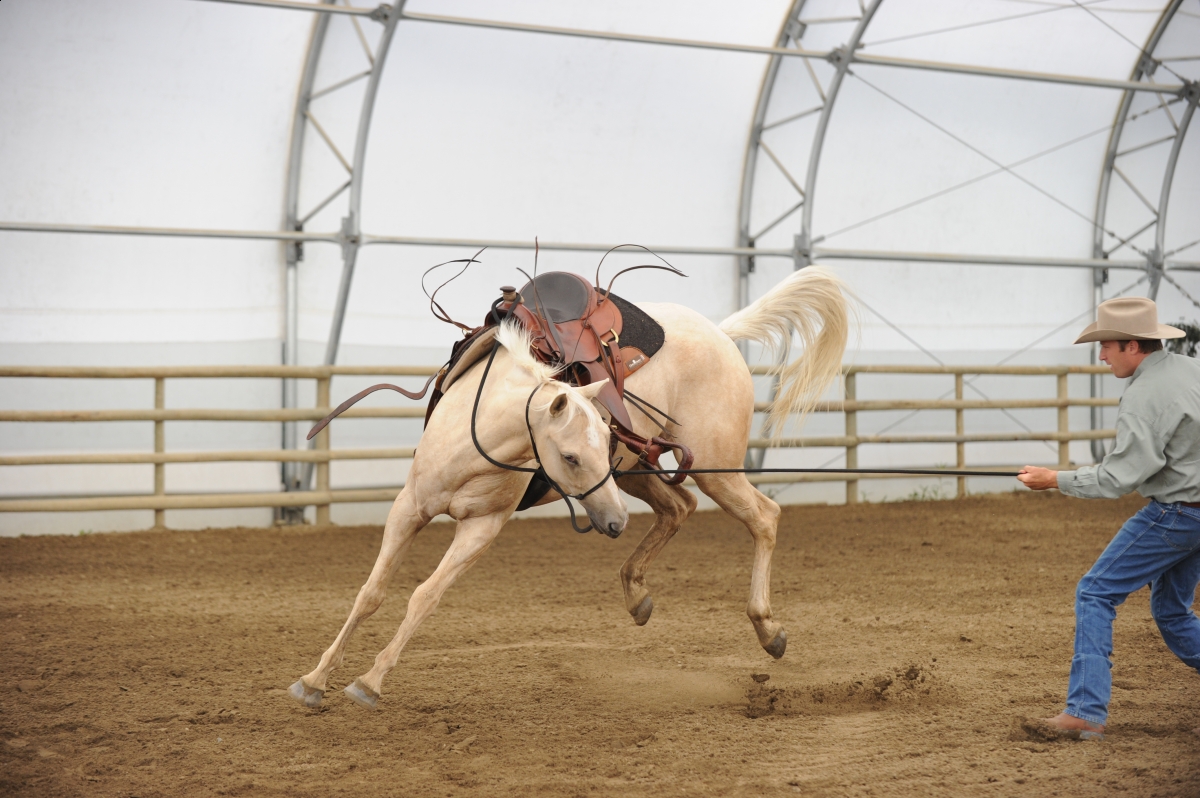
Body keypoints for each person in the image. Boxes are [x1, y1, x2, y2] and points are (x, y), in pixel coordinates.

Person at [1017, 296, 1200, 741]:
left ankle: (1084, 711)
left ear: (1132, 345)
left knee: (1095, 592)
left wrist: (1055, 479)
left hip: (1177, 513)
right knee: (1172, 612)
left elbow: (1118, 477)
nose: (1101, 356)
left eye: (1106, 346)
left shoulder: (1143, 395)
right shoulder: (1191, 370)